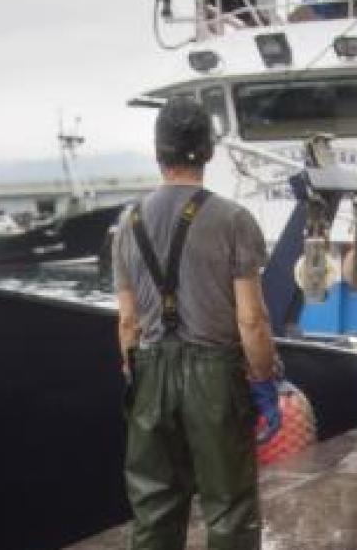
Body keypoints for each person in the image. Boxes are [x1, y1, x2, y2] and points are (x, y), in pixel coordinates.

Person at [114, 97, 282, 550]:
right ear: (208, 151)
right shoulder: (234, 220)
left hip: (149, 370)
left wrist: (139, 375)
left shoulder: (127, 224)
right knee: (229, 510)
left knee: (154, 508)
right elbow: (251, 319)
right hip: (214, 380)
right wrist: (265, 380)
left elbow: (128, 322)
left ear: (158, 153)